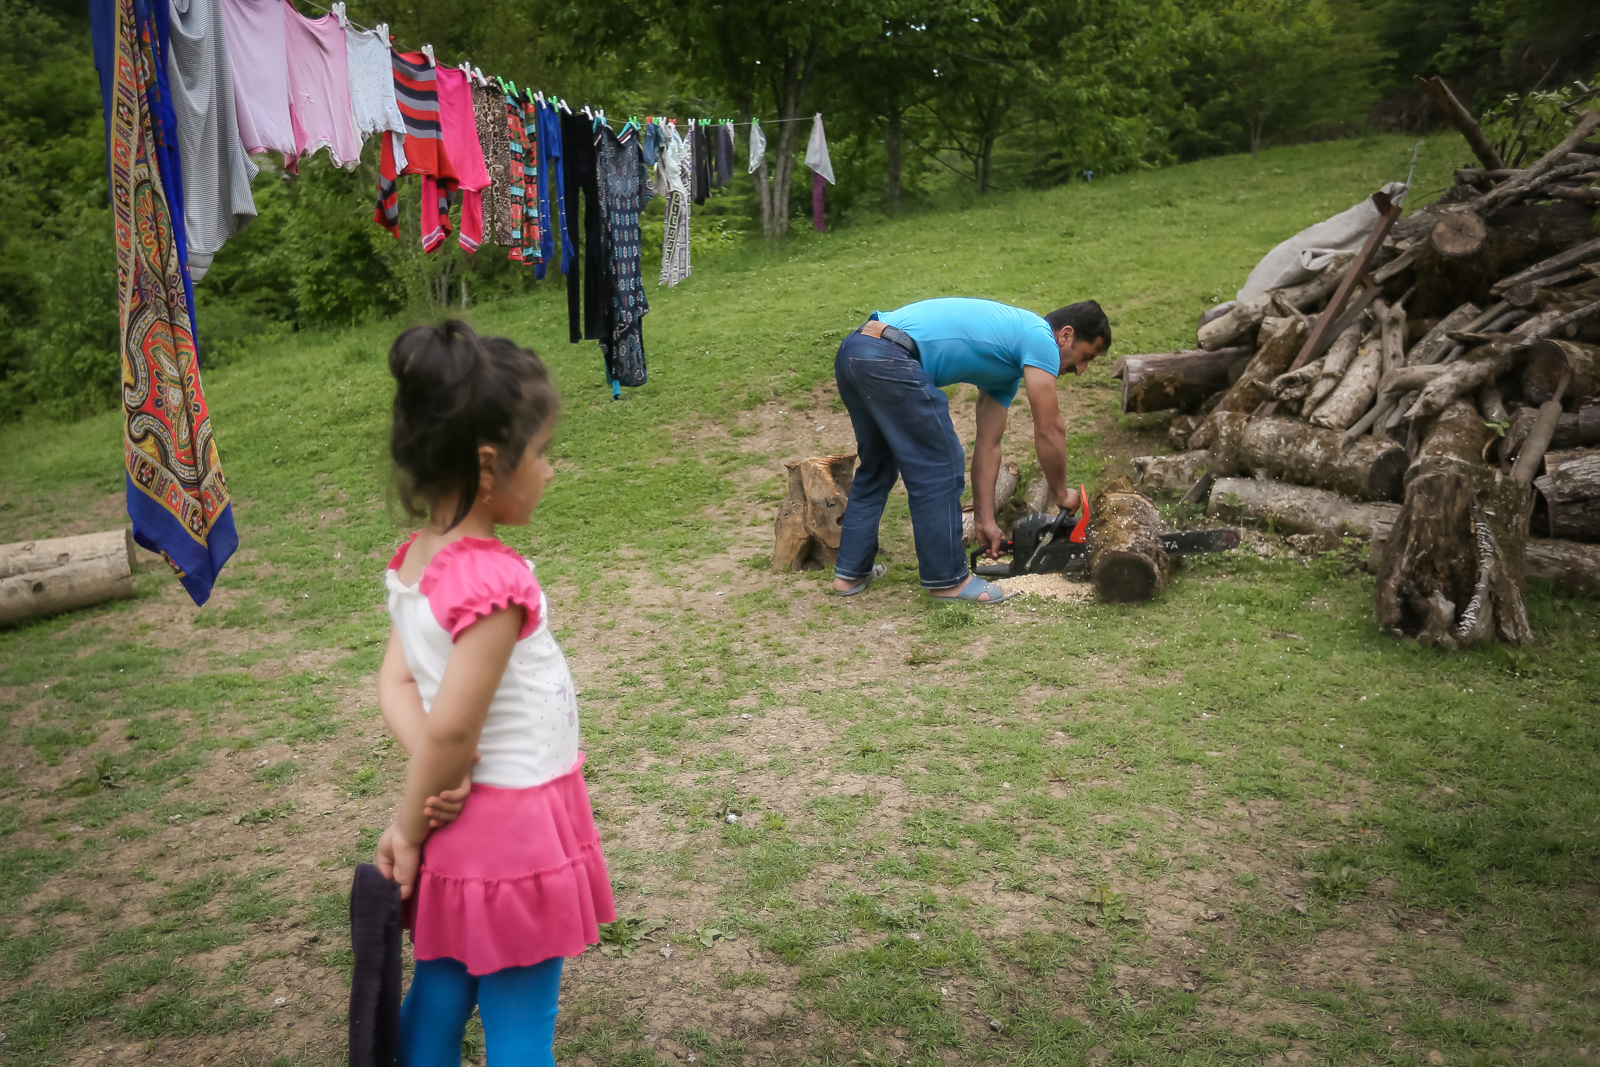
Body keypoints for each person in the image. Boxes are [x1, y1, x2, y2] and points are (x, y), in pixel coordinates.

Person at [374, 322, 615, 1067]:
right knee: (520, 1030)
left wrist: (444, 780)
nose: (548, 470)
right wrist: (411, 824)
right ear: (489, 465)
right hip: (514, 834)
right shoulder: (492, 582)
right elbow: (450, 730)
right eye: (541, 453)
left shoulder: (418, 560)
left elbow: (396, 683)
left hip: (461, 828)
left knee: (439, 999)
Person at [830, 297, 1111, 603]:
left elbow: (988, 446)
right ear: (1065, 335)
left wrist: (985, 520)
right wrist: (1060, 493)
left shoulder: (1005, 372)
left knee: (879, 463)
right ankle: (948, 581)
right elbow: (1049, 428)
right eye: (1086, 357)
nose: (1081, 370)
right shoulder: (1039, 336)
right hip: (887, 355)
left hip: (857, 350)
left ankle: (850, 573)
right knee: (940, 463)